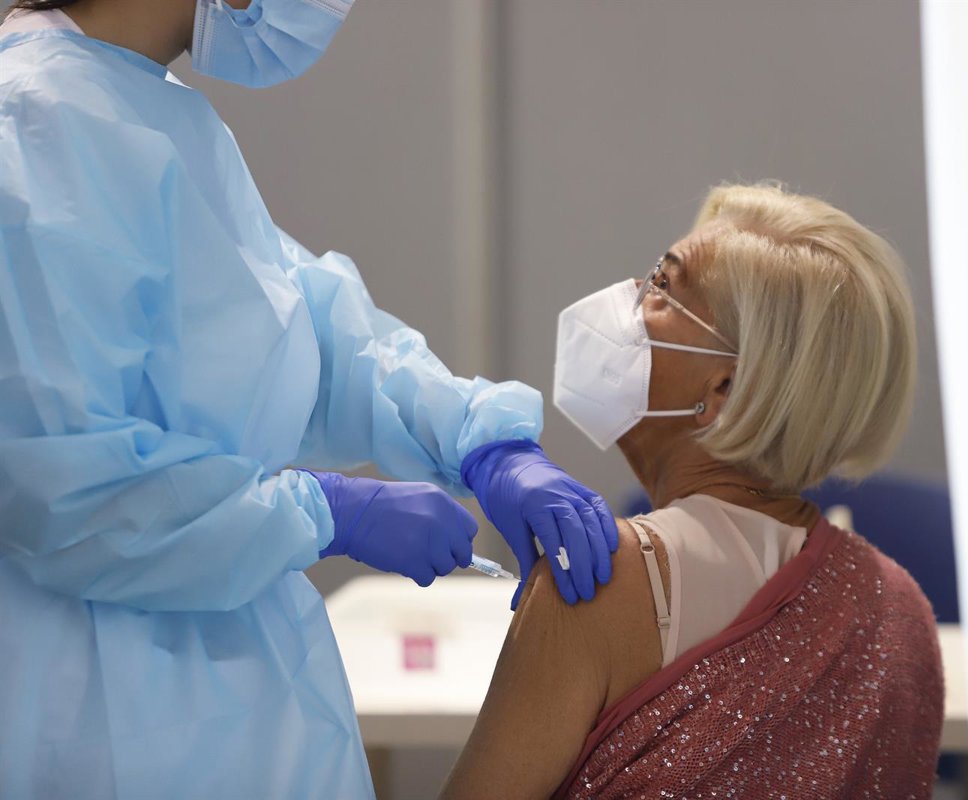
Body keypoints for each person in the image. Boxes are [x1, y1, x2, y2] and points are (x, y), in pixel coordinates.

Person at [0, 0, 617, 797]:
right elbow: (69, 486)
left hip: (222, 696)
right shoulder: (36, 123)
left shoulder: (143, 112)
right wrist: (326, 511)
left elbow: (302, 334)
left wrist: (480, 440)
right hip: (103, 710)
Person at [442, 184, 945, 799]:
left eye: (662, 286)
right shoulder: (901, 610)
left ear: (724, 388)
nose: (629, 294)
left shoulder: (592, 581)